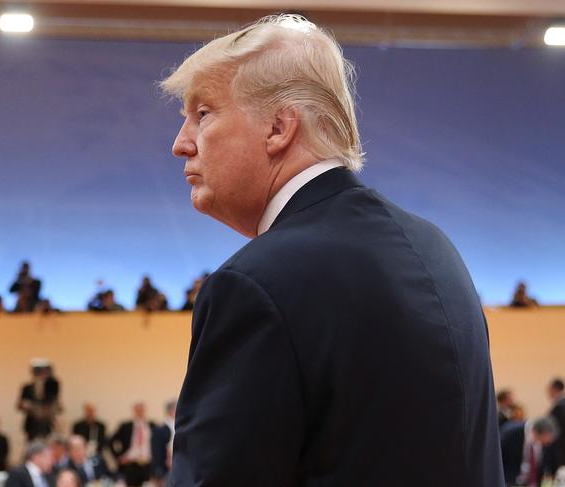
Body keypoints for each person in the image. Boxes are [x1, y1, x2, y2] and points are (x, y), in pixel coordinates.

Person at [160, 14, 504, 486]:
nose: (182, 144)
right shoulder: (438, 250)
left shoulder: (254, 286)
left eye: (203, 114)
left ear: (279, 128)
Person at [500, 417, 557, 487]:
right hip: (511, 482)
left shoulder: (544, 443)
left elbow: (544, 466)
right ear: (542, 433)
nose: (547, 444)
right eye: (545, 442)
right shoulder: (510, 432)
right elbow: (499, 461)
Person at [110, 402, 156, 486]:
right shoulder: (126, 426)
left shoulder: (152, 425)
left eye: (142, 410)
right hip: (131, 463)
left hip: (147, 463)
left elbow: (158, 443)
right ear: (134, 411)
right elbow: (111, 440)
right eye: (138, 410)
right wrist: (118, 457)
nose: (140, 412)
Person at [17, 359, 61, 441]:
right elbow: (20, 405)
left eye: (44, 371)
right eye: (38, 371)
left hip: (47, 424)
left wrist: (46, 410)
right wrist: (32, 408)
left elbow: (55, 403)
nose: (41, 374)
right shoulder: (26, 388)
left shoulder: (53, 386)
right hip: (32, 425)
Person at [151, 400, 175, 485]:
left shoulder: (181, 427)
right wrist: (159, 474)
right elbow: (156, 453)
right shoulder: (160, 430)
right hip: (167, 471)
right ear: (171, 411)